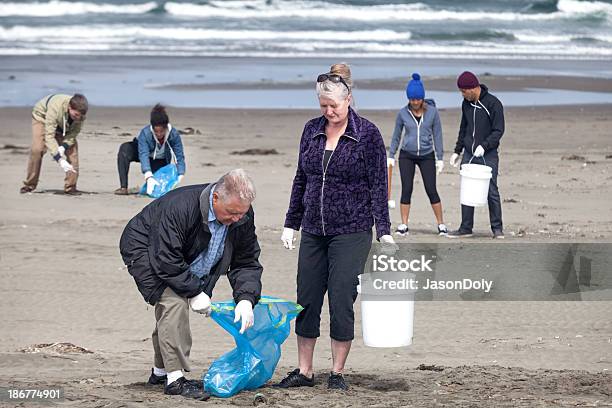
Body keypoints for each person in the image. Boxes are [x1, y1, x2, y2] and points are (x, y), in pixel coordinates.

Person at [278, 63, 394, 391]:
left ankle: (337, 372)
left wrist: (383, 229)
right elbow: (301, 178)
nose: (329, 112)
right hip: (314, 229)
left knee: (341, 297)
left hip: (352, 230)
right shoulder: (311, 130)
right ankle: (304, 371)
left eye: (334, 106)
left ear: (349, 100)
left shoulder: (367, 134)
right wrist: (291, 224)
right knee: (307, 298)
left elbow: (377, 183)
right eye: (323, 106)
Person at [119, 169, 263, 400]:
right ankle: (175, 380)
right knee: (174, 303)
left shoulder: (241, 214)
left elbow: (246, 260)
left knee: (171, 312)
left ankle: (160, 372)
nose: (237, 219)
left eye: (242, 214)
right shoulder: (180, 207)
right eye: (232, 212)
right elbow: (166, 259)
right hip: (144, 248)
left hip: (183, 256)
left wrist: (246, 298)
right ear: (216, 197)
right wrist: (195, 292)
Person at [387, 73, 448, 236]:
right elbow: (396, 135)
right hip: (407, 155)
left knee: (431, 189)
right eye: (412, 99)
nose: (414, 102)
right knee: (407, 189)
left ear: (422, 98)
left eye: (417, 99)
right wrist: (391, 155)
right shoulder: (402, 113)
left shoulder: (433, 113)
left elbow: (438, 135)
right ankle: (404, 224)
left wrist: (440, 158)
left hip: (427, 154)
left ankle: (441, 224)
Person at [447, 71, 505, 239]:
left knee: (492, 190)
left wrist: (485, 146)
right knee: (467, 189)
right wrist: (457, 151)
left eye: (464, 91)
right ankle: (465, 228)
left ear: (473, 88)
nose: (462, 94)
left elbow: (498, 130)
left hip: (488, 154)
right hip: (469, 153)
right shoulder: (466, 103)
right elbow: (463, 128)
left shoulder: (493, 104)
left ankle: (497, 228)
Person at [21, 93, 88, 194]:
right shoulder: (55, 108)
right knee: (37, 149)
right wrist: (59, 159)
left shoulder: (80, 116)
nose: (78, 118)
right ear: (69, 107)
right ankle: (29, 184)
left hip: (64, 125)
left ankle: (71, 187)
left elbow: (74, 133)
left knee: (72, 152)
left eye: (81, 116)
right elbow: (49, 136)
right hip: (42, 118)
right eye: (76, 115)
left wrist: (64, 146)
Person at [114, 104, 186, 195]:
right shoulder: (146, 133)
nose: (159, 134)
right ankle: (123, 187)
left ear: (166, 128)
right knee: (124, 149)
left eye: (161, 131)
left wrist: (180, 174)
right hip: (141, 153)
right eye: (156, 131)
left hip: (159, 160)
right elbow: (143, 154)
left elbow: (179, 156)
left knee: (157, 187)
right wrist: (148, 175)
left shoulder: (173, 134)